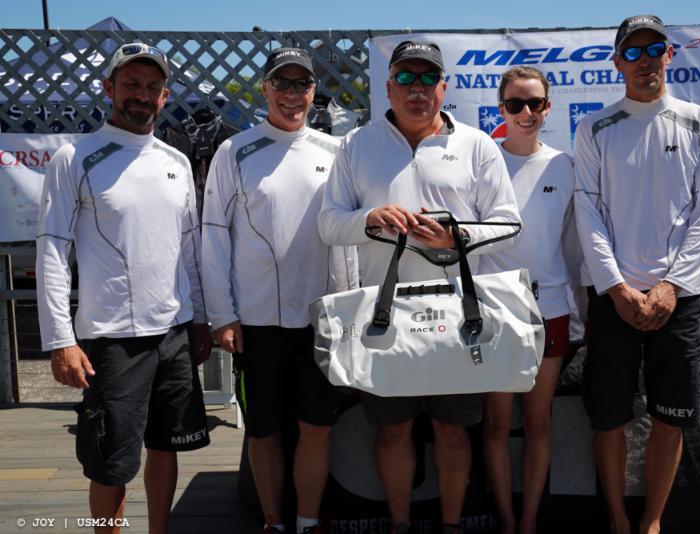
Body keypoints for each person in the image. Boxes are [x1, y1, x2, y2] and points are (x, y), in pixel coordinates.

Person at [318, 40, 520, 534]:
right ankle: (400, 525)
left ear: (444, 88)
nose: (416, 89)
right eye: (405, 79)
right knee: (392, 433)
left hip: (458, 318)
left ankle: (451, 526)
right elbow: (327, 225)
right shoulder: (356, 145)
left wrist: (458, 235)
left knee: (453, 434)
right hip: (385, 316)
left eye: (427, 78)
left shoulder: (476, 145)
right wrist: (371, 219)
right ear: (387, 87)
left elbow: (510, 224)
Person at [36, 42, 212, 534]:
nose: (141, 94)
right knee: (112, 461)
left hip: (175, 333)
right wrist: (61, 341)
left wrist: (198, 318)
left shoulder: (176, 161)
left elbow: (190, 251)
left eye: (152, 87)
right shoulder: (75, 158)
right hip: (112, 339)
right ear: (109, 88)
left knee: (166, 445)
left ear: (165, 96)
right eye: (131, 84)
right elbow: (52, 249)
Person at [573, 15, 700, 534]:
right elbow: (588, 212)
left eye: (652, 49)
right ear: (617, 62)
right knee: (609, 418)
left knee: (670, 419)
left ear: (669, 54)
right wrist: (616, 288)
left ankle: (652, 522)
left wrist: (670, 286)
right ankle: (618, 520)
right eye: (632, 53)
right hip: (613, 299)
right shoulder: (593, 127)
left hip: (678, 299)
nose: (644, 61)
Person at [201, 47, 358, 534]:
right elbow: (213, 235)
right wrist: (223, 315)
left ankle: (308, 521)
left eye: (302, 85)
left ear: (314, 91)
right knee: (263, 430)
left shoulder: (337, 152)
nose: (293, 95)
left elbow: (348, 238)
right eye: (282, 84)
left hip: (320, 320)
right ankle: (273, 521)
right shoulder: (235, 151)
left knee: (317, 427)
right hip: (257, 323)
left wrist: (349, 308)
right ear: (265, 88)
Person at [480, 66, 581, 534]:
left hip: (551, 310)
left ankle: (530, 522)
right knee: (497, 426)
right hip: (495, 311)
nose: (526, 113)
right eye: (515, 104)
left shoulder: (564, 165)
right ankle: (505, 521)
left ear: (548, 107)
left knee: (538, 424)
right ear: (500, 108)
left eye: (535, 103)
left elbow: (573, 246)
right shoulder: (482, 162)